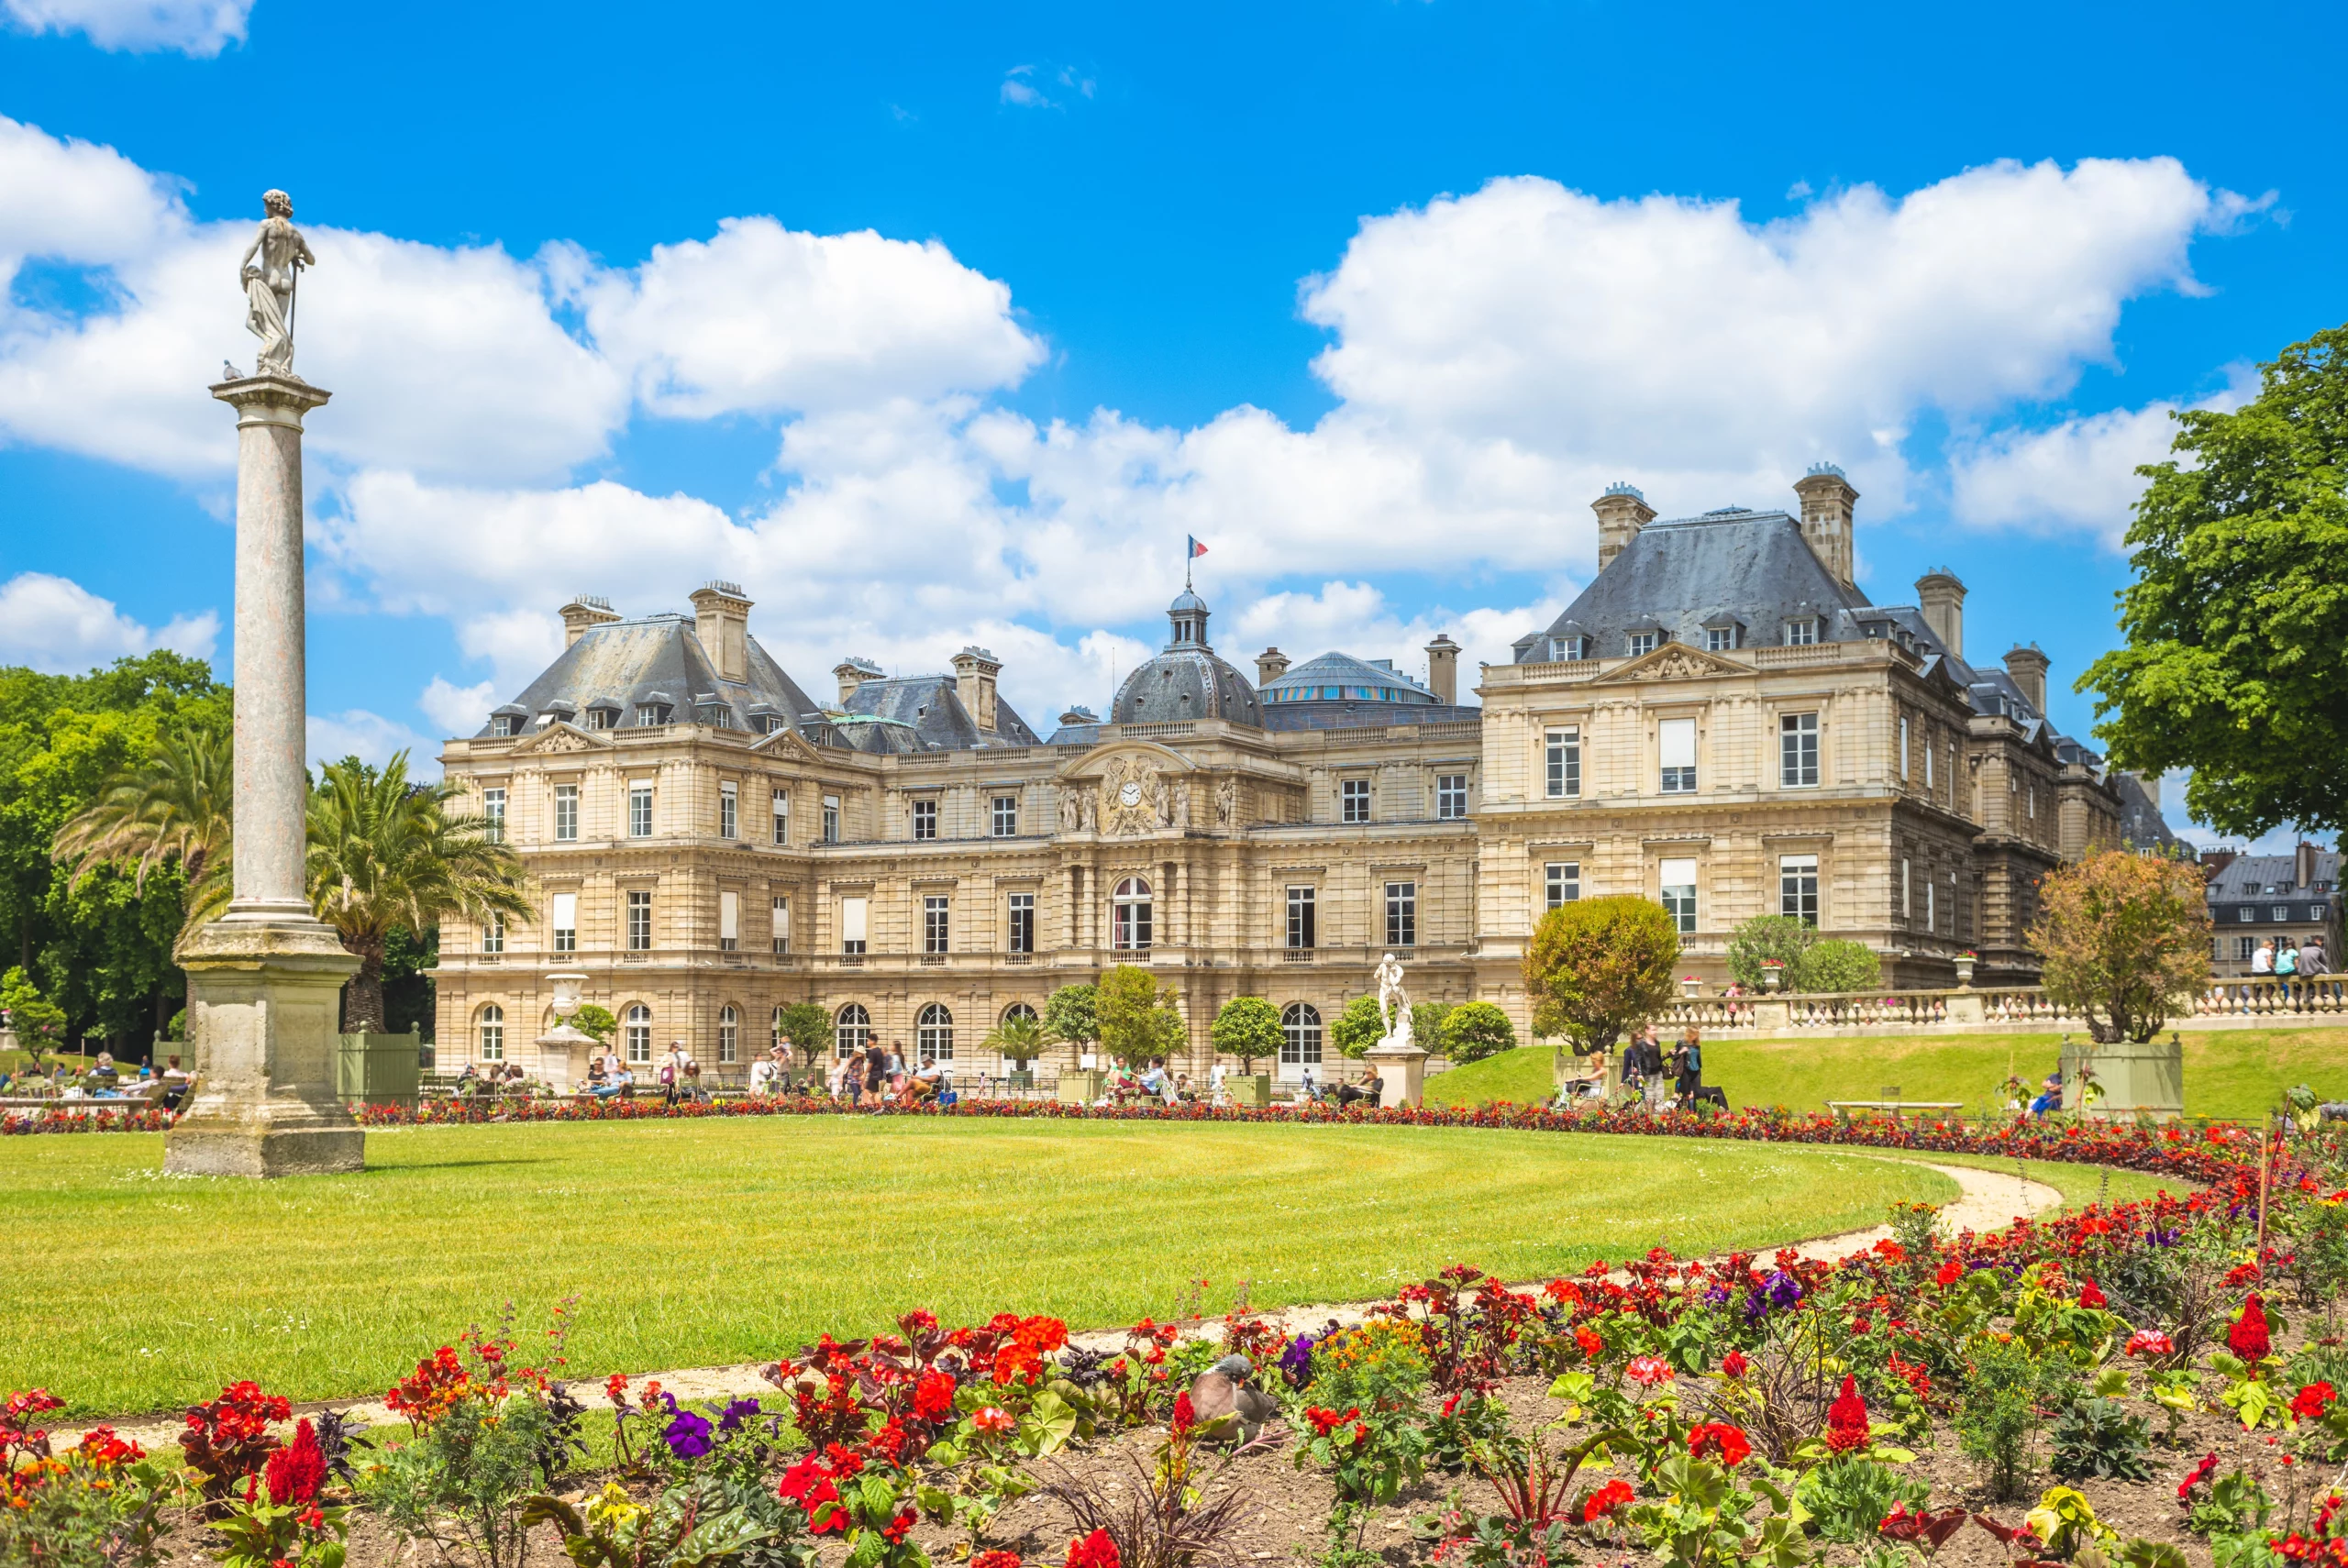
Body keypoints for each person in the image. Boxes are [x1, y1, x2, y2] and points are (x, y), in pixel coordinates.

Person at [1674, 1027, 1703, 1103]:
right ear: (1689, 1034)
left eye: (1697, 1035)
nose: (1696, 1036)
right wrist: (1681, 1051)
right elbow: (1673, 1056)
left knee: (1697, 1092)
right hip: (1686, 1070)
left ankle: (1695, 1112)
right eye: (1695, 1034)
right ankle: (1685, 1111)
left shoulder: (1696, 1045)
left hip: (1696, 1070)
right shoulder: (1681, 1043)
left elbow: (1697, 1058)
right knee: (1686, 1093)